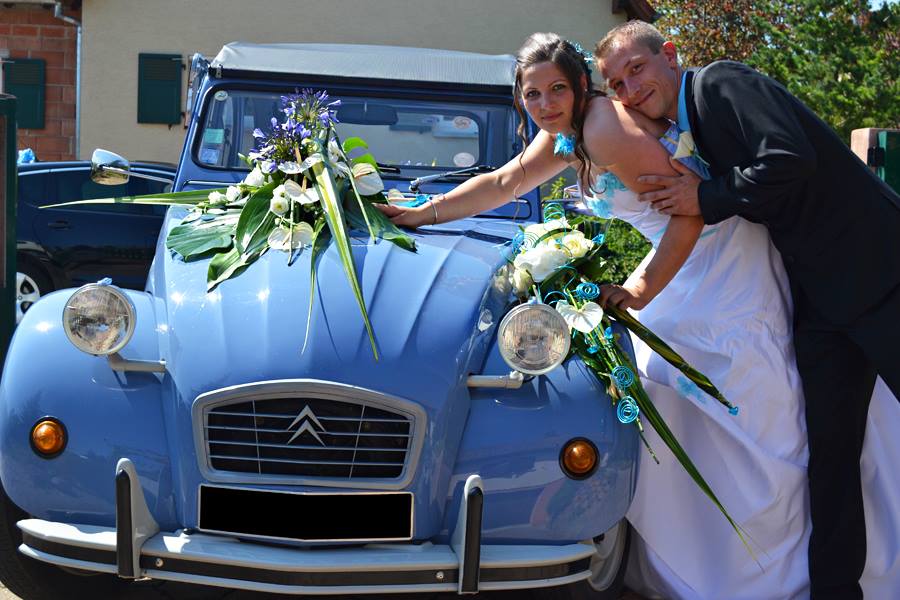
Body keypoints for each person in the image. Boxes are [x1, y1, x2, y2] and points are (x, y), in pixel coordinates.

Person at [594, 21, 900, 600]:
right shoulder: (679, 129)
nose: (630, 90)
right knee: (831, 452)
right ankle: (837, 591)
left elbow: (791, 157)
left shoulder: (719, 84)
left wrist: (704, 197)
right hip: (820, 299)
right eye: (616, 84)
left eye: (637, 69)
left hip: (880, 270)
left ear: (671, 55)